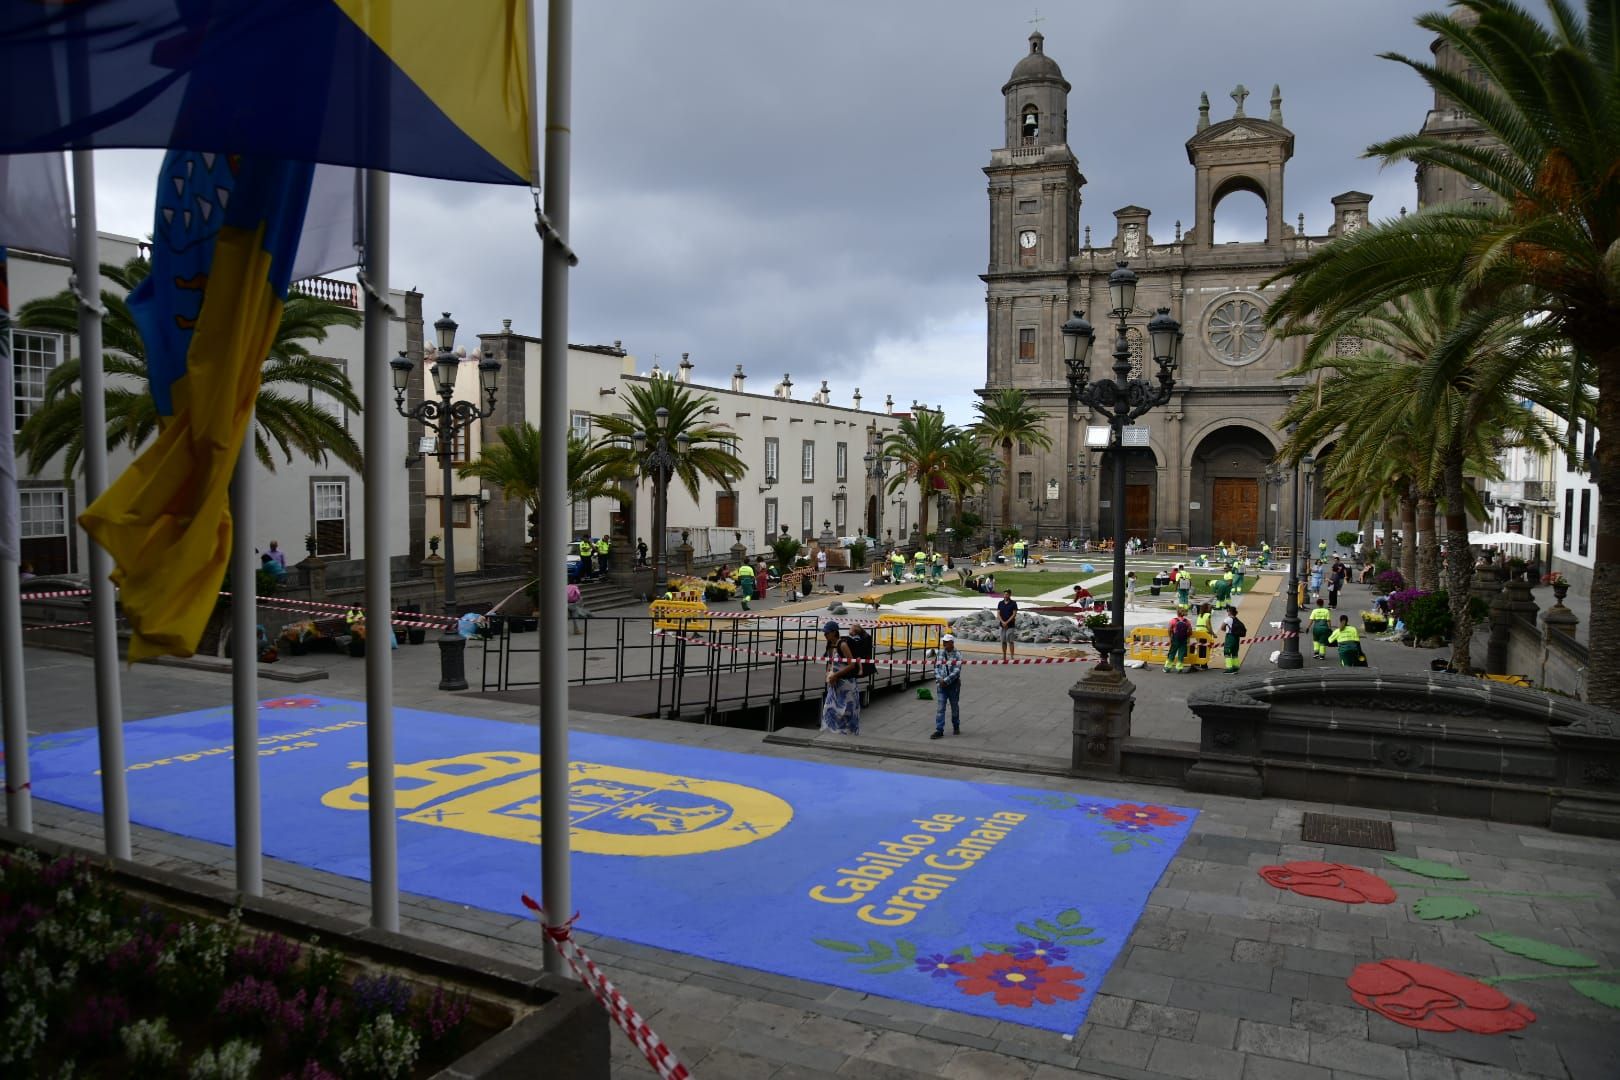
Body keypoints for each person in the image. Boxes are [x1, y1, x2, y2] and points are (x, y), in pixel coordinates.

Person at [819, 621, 861, 735]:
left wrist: (836, 675)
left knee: (847, 713)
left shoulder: (842, 645)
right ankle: (831, 734)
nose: (825, 635)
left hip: (847, 685)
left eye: (827, 633)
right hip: (834, 685)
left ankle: (848, 736)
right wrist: (828, 673)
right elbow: (830, 663)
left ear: (834, 632)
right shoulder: (829, 645)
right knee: (828, 709)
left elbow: (852, 664)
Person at [930, 633, 963, 738]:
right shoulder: (940, 653)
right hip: (941, 685)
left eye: (946, 642)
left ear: (952, 643)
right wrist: (939, 679)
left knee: (954, 707)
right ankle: (939, 730)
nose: (944, 644)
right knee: (940, 708)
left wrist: (946, 680)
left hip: (953, 686)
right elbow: (936, 667)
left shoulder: (958, 654)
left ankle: (956, 725)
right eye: (943, 642)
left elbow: (957, 671)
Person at [1164, 607, 1193, 673]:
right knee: (1181, 654)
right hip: (1183, 639)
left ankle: (1167, 667)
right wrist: (1187, 636)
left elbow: (1169, 629)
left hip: (1175, 639)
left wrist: (1170, 637)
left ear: (1177, 613)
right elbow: (1190, 631)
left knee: (1172, 653)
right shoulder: (1187, 621)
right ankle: (1179, 668)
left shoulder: (1173, 620)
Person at [1220, 604, 1245, 674]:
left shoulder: (1227, 619)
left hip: (1230, 637)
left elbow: (1222, 628)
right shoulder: (1236, 619)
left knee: (1227, 652)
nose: (1227, 612)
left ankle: (1229, 669)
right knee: (1234, 653)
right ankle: (1236, 667)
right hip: (1236, 638)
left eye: (1228, 611)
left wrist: (1227, 630)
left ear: (1230, 612)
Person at [996, 590, 1018, 661]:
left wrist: (1007, 622)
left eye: (1007, 594)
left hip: (1010, 625)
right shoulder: (1000, 603)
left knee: (1011, 641)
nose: (1005, 596)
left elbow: (1014, 614)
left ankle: (1012, 656)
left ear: (1010, 595)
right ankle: (1004, 655)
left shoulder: (1013, 603)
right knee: (1003, 641)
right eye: (1004, 594)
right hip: (1002, 625)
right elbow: (998, 614)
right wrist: (1002, 622)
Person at [1193, 602, 1214, 668]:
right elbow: (1208, 626)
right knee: (1205, 648)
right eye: (1210, 608)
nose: (1211, 609)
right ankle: (1203, 664)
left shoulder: (1200, 615)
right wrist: (1213, 633)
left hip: (1198, 633)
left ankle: (1198, 661)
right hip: (1205, 633)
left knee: (1200, 647)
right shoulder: (1208, 615)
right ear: (1207, 609)